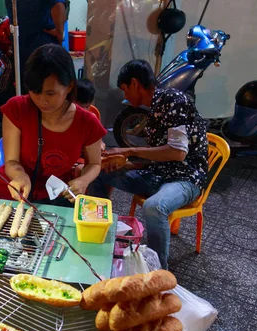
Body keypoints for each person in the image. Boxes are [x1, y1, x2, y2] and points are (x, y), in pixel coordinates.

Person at [88, 60, 208, 269]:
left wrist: (130, 151)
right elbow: (159, 157)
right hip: (158, 174)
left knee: (154, 206)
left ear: (135, 84)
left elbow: (178, 153)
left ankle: (158, 271)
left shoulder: (172, 100)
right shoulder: (155, 108)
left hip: (185, 178)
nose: (125, 96)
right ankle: (101, 236)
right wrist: (126, 164)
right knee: (97, 172)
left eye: (125, 89)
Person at [0, 43, 106, 204]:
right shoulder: (17, 109)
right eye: (35, 91)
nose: (42, 100)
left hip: (56, 197)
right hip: (11, 193)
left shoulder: (88, 122)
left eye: (50, 93)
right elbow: (11, 161)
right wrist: (20, 176)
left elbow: (94, 164)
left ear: (70, 86)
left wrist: (83, 180)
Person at [5, 0, 67, 89]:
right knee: (43, 87)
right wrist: (60, 33)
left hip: (21, 42)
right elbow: (58, 4)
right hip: (40, 43)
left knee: (29, 86)